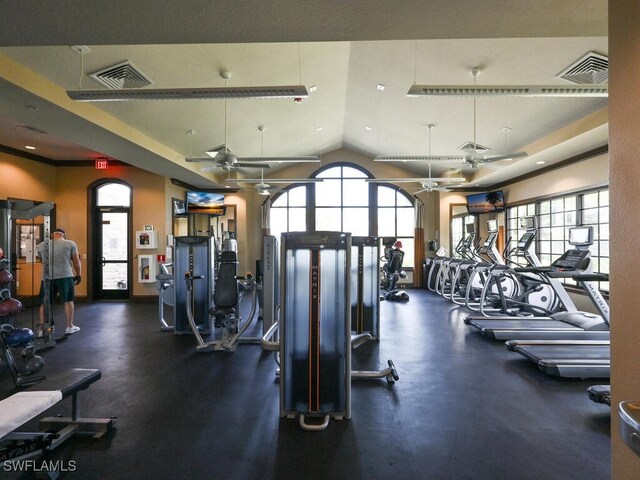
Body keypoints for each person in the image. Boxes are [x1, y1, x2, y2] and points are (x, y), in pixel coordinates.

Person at [37, 228, 82, 335]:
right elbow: (76, 260)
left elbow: (41, 260)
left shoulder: (41, 245)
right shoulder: (70, 243)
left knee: (45, 303)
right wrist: (79, 274)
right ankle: (70, 326)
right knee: (68, 300)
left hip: (47, 277)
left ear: (52, 235)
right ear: (64, 235)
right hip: (65, 276)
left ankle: (43, 329)